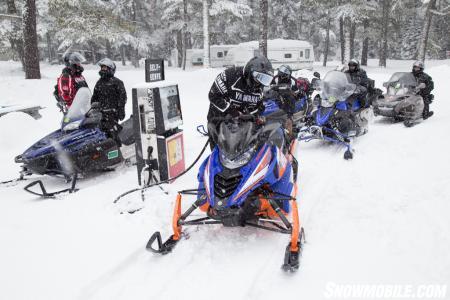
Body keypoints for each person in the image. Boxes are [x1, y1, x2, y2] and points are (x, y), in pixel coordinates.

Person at [207, 55, 274, 149]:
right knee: (221, 154)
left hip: (241, 125)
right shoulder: (229, 76)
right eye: (259, 77)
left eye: (265, 79)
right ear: (250, 71)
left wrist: (254, 117)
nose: (260, 82)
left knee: (242, 155)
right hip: (219, 120)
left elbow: (258, 107)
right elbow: (213, 95)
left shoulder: (259, 88)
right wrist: (231, 111)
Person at [91, 58, 127, 146]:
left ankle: (118, 148)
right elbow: (94, 97)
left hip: (112, 113)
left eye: (105, 68)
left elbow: (123, 98)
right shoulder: (99, 83)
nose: (102, 70)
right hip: (100, 113)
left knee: (113, 132)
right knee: (101, 133)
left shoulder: (117, 83)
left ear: (110, 69)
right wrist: (93, 105)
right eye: (101, 68)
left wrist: (121, 110)